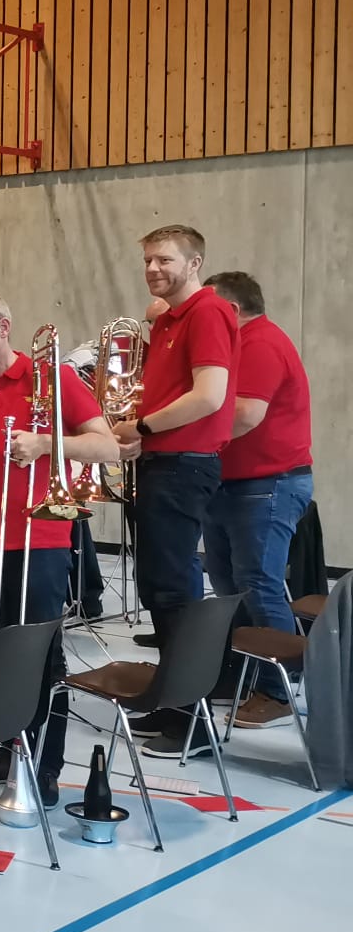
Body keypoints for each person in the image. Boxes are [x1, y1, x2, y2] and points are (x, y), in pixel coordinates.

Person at [0, 291, 118, 803]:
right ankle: (10, 751)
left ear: (4, 327)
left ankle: (43, 767)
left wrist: (47, 444)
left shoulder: (53, 379)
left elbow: (107, 445)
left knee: (41, 659)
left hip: (40, 544)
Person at [112, 226, 240, 756]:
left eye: (164, 260)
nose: (152, 269)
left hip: (183, 466)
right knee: (158, 586)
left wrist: (142, 427)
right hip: (162, 462)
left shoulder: (207, 312)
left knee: (173, 590)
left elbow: (209, 396)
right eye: (147, 260)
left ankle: (192, 717)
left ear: (194, 264)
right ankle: (173, 699)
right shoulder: (170, 318)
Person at [203, 270, 312, 730]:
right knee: (228, 584)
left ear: (229, 310)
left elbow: (247, 414)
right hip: (232, 483)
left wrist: (187, 433)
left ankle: (277, 689)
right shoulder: (237, 345)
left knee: (259, 585)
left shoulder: (260, 343)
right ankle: (240, 673)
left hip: (267, 484)